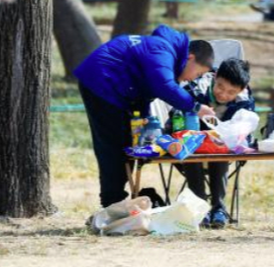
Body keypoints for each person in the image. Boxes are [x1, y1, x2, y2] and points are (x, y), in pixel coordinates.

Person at [74, 25, 216, 207]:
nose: (192, 79)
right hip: (102, 82)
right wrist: (196, 107)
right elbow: (164, 86)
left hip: (117, 88)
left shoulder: (165, 50)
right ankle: (111, 203)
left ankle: (115, 200)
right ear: (190, 58)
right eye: (198, 73)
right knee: (114, 144)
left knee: (128, 143)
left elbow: (145, 88)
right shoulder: (162, 50)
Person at [176, 58, 256, 229]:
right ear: (215, 76)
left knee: (220, 150)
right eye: (220, 86)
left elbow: (246, 129)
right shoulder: (196, 89)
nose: (223, 94)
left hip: (222, 148)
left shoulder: (244, 100)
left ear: (241, 90)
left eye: (231, 92)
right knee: (192, 151)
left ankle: (218, 208)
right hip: (192, 143)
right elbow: (176, 116)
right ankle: (200, 207)